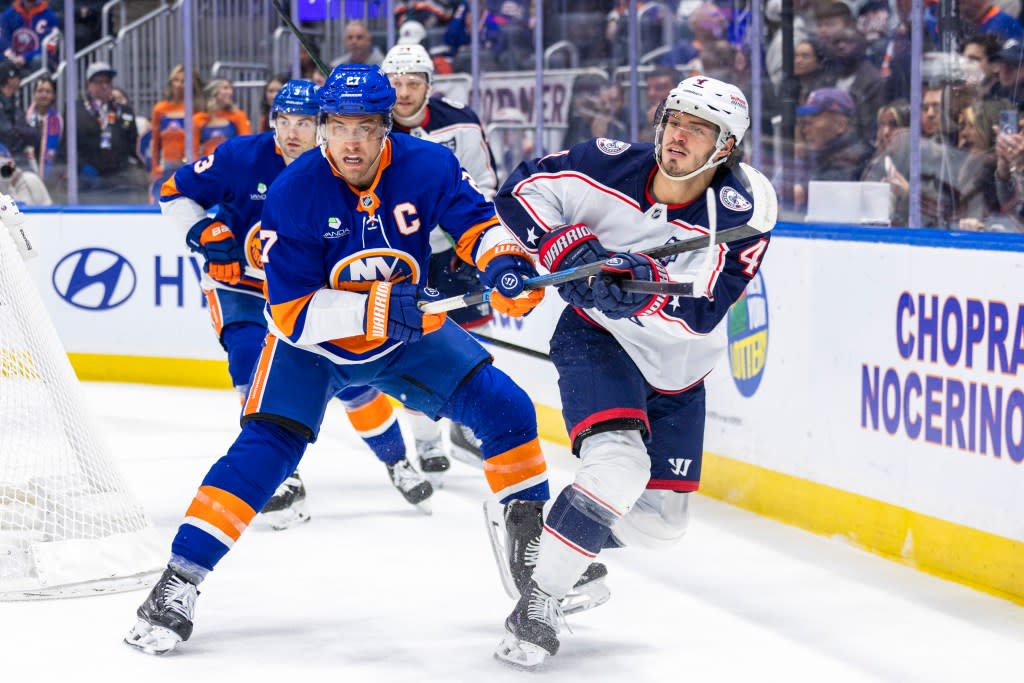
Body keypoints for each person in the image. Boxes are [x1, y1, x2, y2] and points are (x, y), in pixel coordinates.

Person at [125, 64, 553, 656]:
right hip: (311, 349)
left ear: (388, 128)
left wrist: (502, 259)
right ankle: (178, 582)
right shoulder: (293, 190)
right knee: (265, 452)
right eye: (339, 126)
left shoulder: (427, 165)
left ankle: (537, 563)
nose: (351, 142)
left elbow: (476, 222)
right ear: (325, 128)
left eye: (367, 127)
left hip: (404, 334)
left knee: (507, 408)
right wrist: (377, 309)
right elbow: (292, 314)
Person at [491, 75, 775, 666]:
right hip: (599, 338)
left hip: (678, 365)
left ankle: (543, 534)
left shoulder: (743, 210)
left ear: (725, 147)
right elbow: (519, 192)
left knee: (663, 523)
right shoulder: (602, 163)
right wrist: (563, 248)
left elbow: (705, 310)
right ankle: (538, 602)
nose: (679, 136)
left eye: (699, 129)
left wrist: (642, 295)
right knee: (618, 466)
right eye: (675, 120)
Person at [159, 79, 437, 524]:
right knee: (251, 362)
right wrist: (205, 232)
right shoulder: (240, 157)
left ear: (324, 126)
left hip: (312, 293)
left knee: (355, 380)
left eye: (305, 122)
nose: (292, 132)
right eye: (283, 120)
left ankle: (396, 460)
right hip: (242, 286)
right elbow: (172, 192)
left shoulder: (346, 165)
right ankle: (284, 477)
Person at [381, 42, 499, 472]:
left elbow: (485, 184)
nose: (404, 92)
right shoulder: (372, 126)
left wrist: (472, 239)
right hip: (402, 258)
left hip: (453, 256)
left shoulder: (460, 123)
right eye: (395, 83)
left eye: (414, 83)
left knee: (468, 343)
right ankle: (427, 441)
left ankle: (466, 428)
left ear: (430, 85)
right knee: (412, 348)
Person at [66, 60, 146, 202]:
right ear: (89, 85)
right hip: (87, 180)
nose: (104, 86)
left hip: (119, 178)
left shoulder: (123, 111)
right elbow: (67, 146)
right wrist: (81, 167)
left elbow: (133, 144)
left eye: (107, 82)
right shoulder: (75, 110)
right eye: (98, 82)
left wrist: (147, 163)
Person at [150, 65, 202, 201]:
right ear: (170, 82)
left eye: (184, 81)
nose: (179, 85)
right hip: (167, 165)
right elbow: (155, 142)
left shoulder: (197, 108)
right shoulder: (160, 109)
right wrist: (155, 167)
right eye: (176, 80)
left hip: (190, 165)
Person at [193, 78, 251, 158]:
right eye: (225, 88)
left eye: (231, 88)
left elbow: (245, 145)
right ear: (214, 92)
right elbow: (193, 150)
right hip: (206, 166)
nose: (230, 92)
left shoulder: (238, 116)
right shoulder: (199, 118)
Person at [0, 0, 59, 73]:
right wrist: (12, 58)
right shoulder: (8, 15)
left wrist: (25, 57)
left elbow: (51, 47)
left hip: (38, 61)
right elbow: (3, 41)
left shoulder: (49, 16)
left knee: (37, 61)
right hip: (14, 59)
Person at [24, 73, 61, 180]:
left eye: (48, 92)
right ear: (34, 94)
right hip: (27, 175)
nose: (44, 95)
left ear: (54, 95)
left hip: (52, 178)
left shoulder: (59, 121)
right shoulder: (24, 117)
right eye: (40, 91)